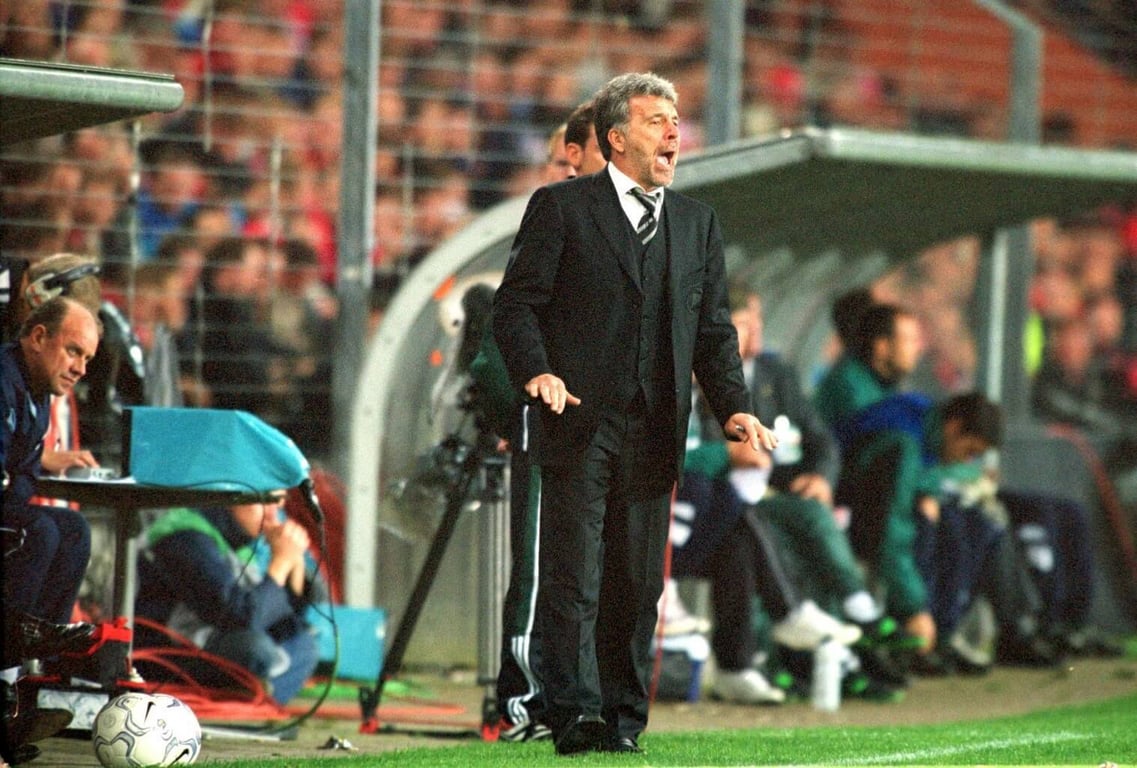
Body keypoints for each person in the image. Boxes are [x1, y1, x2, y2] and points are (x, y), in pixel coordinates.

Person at [492, 72, 776, 756]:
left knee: (638, 583)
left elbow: (713, 332)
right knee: (574, 576)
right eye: (656, 121)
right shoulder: (561, 208)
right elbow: (516, 305)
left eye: (676, 120)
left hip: (654, 431)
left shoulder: (697, 224)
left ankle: (623, 719)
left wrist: (733, 408)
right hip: (577, 422)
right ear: (616, 139)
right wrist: (537, 371)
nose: (673, 132)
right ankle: (576, 715)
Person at [2, 297, 101, 765]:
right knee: (39, 532)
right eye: (74, 351)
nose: (81, 368)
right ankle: (6, 683)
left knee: (73, 530)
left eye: (88, 359)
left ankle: (30, 670)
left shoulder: (36, 392)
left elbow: (19, 469)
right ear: (38, 337)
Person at [133, 496, 323, 705]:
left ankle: (255, 700)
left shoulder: (238, 543)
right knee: (255, 650)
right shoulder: (184, 535)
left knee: (304, 645)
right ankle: (258, 698)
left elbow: (281, 620)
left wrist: (295, 561)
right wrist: (281, 562)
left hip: (221, 642)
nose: (272, 514)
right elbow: (240, 614)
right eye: (265, 501)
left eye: (277, 504)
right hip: (168, 651)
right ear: (233, 495)